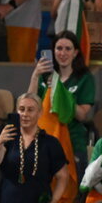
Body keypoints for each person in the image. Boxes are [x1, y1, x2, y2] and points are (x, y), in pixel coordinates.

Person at [0, 93, 70, 203]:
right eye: (21, 109)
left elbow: (63, 176)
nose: (25, 114)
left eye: (30, 110)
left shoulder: (50, 142)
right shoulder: (8, 136)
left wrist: (53, 202)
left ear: (40, 113)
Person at [28, 31, 95, 176]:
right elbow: (30, 104)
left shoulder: (84, 78)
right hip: (46, 137)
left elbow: (82, 115)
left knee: (72, 189)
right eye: (59, 48)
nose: (63, 53)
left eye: (68, 49)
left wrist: (60, 91)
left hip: (73, 140)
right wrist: (35, 76)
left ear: (75, 52)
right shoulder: (45, 76)